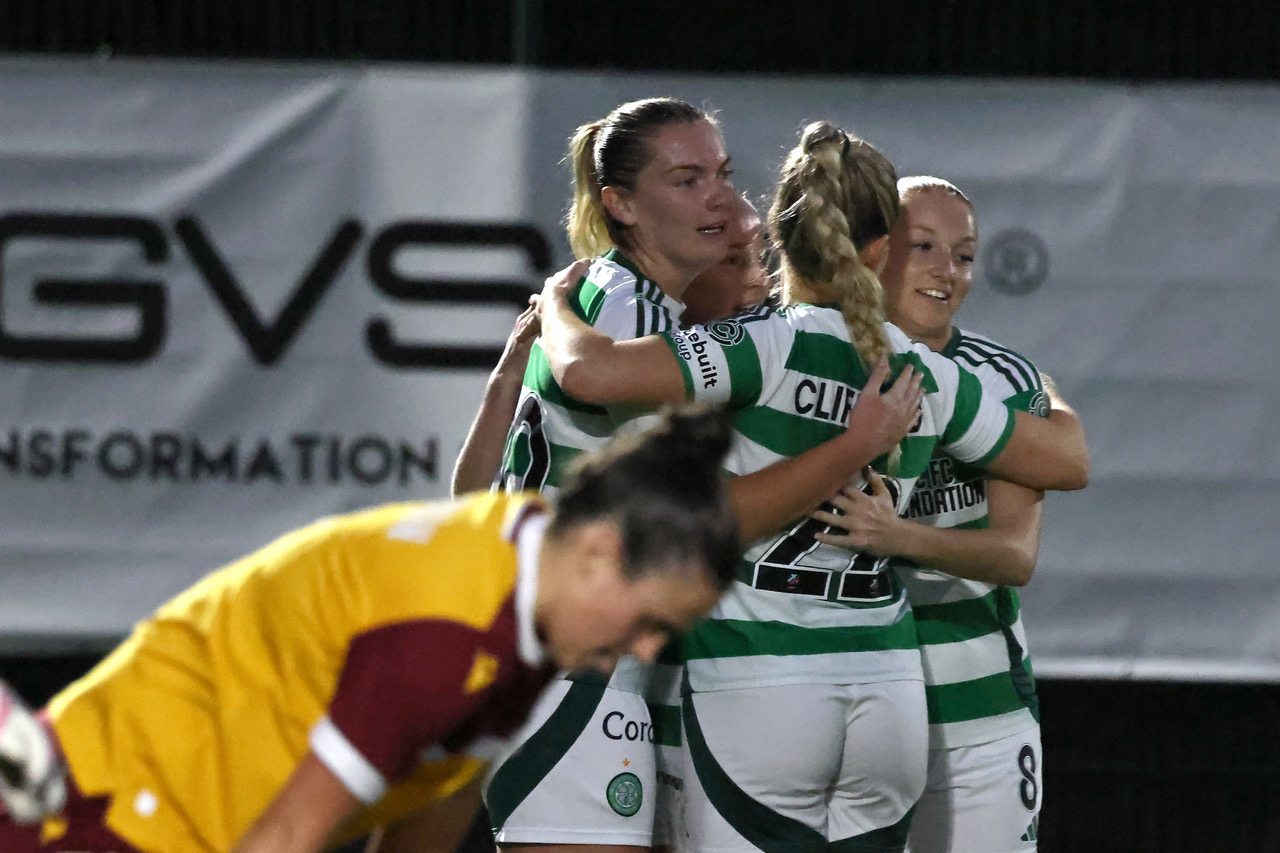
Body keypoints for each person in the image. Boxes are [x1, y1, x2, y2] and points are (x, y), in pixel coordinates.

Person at [533, 121, 1088, 852]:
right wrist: (1044, 392)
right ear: (881, 249)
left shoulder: (759, 344)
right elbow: (1061, 463)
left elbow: (590, 374)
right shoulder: (926, 372)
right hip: (887, 686)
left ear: (779, 237)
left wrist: (555, 309)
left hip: (760, 678)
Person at [481, 100, 924, 853]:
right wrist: (853, 449)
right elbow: (696, 513)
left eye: (721, 173)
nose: (721, 198)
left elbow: (470, 495)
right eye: (687, 180)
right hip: (567, 666)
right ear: (619, 203)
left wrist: (519, 358)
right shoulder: (625, 311)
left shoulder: (624, 306)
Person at [0, 407, 745, 853]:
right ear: (600, 552)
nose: (648, 650)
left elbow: (437, 804)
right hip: (100, 817)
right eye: (651, 621)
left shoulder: (533, 576)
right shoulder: (442, 639)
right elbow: (285, 838)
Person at [811, 176, 1086, 852]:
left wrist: (896, 536)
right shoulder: (813, 358)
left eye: (964, 254)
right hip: (837, 714)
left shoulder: (1003, 379)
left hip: (977, 719)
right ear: (872, 252)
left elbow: (1015, 555)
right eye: (924, 246)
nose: (948, 270)